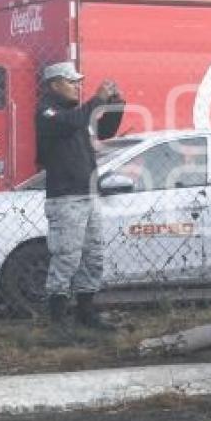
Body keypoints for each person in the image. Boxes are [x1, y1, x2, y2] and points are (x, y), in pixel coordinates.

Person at [35, 61, 125, 330]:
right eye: (71, 81)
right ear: (54, 85)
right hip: (65, 198)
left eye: (78, 81)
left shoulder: (77, 115)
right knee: (67, 256)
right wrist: (96, 99)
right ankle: (57, 321)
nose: (77, 86)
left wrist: (115, 103)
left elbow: (106, 131)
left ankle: (86, 313)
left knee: (93, 256)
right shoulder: (47, 113)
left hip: (88, 194)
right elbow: (71, 122)